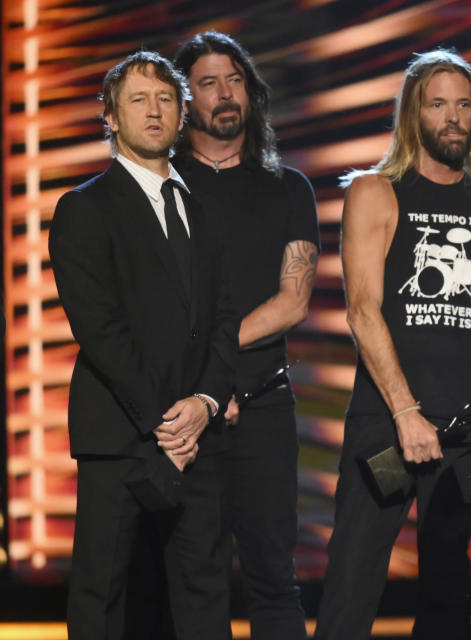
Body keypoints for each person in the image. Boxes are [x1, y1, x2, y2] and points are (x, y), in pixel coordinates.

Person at [314, 49, 471, 640]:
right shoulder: (376, 193)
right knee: (352, 580)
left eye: (464, 105)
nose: (453, 117)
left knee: (449, 592)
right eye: (438, 104)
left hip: (465, 426)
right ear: (413, 115)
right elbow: (362, 310)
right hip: (387, 418)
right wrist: (405, 411)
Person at [49, 51, 236, 639]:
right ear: (109, 115)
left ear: (183, 114)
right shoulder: (84, 208)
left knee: (204, 599)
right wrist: (166, 420)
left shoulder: (204, 210)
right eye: (137, 99)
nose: (154, 111)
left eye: (165, 99)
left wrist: (205, 403)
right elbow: (99, 329)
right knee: (106, 600)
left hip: (197, 435)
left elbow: (226, 320)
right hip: (122, 437)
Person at [171, 31, 320, 640]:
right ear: (185, 101)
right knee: (194, 581)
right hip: (182, 412)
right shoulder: (162, 190)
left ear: (252, 94)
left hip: (263, 408)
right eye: (207, 83)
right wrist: (207, 388)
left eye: (233, 80)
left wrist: (219, 369)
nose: (224, 94)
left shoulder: (289, 188)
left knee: (273, 578)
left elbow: (293, 302)